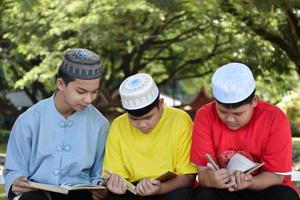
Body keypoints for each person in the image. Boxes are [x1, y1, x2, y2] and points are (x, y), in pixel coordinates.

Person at [3, 48, 110, 200]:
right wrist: (15, 183)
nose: (89, 99)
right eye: (81, 91)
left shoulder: (100, 124)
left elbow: (98, 174)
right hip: (36, 195)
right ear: (60, 84)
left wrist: (100, 188)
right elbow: (14, 169)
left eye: (94, 92)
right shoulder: (29, 120)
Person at [191, 62, 299, 200]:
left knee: (284, 197)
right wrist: (211, 180)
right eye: (222, 111)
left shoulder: (274, 118)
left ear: (254, 101)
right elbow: (203, 172)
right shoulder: (205, 115)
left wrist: (250, 182)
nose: (229, 119)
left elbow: (276, 175)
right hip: (221, 189)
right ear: (215, 102)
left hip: (264, 187)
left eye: (238, 113)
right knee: (205, 195)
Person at [103, 73, 197, 200]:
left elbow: (188, 177)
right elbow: (114, 175)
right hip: (132, 189)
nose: (142, 124)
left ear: (161, 104)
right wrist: (114, 185)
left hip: (168, 188)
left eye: (148, 117)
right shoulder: (118, 125)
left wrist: (160, 189)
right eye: (134, 119)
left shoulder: (180, 120)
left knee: (182, 196)